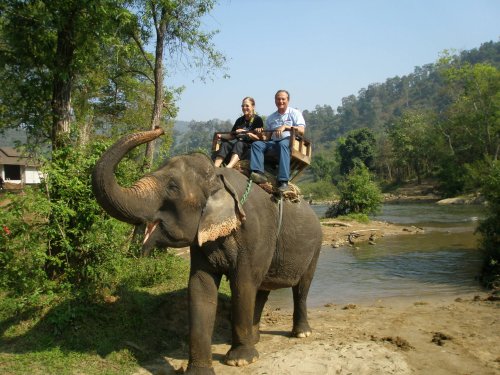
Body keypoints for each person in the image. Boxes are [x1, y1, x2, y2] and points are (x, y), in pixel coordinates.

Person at [250, 90, 305, 192]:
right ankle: (259, 173)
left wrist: (286, 127)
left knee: (283, 144)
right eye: (278, 99)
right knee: (257, 144)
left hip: (289, 141)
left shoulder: (294, 113)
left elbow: (302, 130)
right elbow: (266, 138)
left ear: (288, 100)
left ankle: (283, 181)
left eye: (283, 99)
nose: (281, 101)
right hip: (273, 143)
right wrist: (259, 133)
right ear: (275, 101)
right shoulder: (271, 117)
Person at [214, 97, 264, 168]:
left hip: (248, 148)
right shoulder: (239, 120)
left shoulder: (257, 120)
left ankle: (229, 167)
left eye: (247, 106)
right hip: (237, 147)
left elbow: (258, 138)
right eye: (243, 106)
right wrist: (221, 136)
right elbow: (232, 136)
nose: (244, 108)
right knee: (225, 144)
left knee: (239, 144)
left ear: (253, 107)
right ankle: (215, 167)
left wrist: (245, 132)